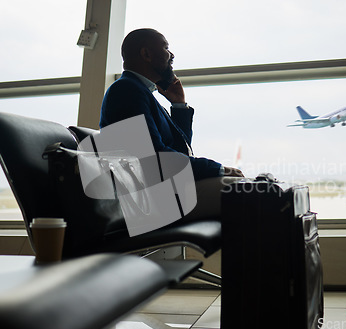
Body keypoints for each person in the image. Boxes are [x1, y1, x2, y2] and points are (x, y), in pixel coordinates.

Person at [100, 28, 243, 220]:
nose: (171, 55)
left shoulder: (139, 92)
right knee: (249, 193)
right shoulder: (127, 91)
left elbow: (179, 151)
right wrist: (217, 169)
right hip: (152, 200)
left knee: (252, 190)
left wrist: (178, 105)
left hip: (161, 191)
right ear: (146, 54)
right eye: (166, 48)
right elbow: (155, 160)